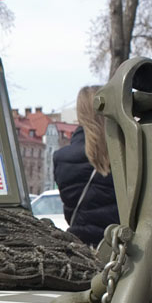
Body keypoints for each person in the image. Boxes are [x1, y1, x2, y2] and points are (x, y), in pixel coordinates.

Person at [52, 84, 119, 246]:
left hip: (81, 248)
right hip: (121, 246)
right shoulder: (123, 154)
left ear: (80, 113)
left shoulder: (61, 157)